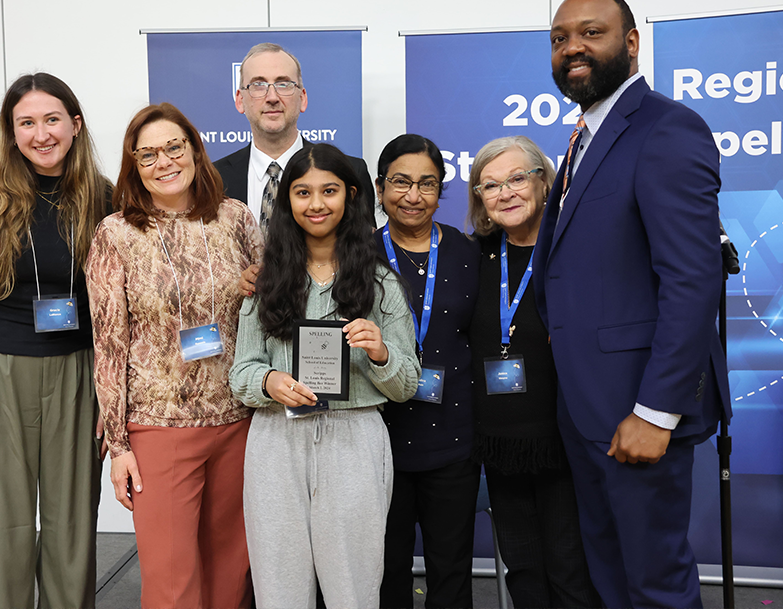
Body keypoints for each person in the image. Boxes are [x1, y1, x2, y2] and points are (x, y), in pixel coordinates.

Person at [533, 0, 730, 608]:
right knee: (612, 581)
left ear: (632, 42)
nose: (574, 48)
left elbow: (693, 281)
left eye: (591, 32)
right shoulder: (582, 139)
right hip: (589, 410)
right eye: (561, 38)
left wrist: (656, 412)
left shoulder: (667, 128)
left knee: (655, 586)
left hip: (639, 414)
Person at [229, 143, 420, 609]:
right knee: (278, 587)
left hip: (354, 440)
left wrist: (380, 352)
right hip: (277, 438)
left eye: (329, 191)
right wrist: (270, 382)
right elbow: (242, 373)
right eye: (302, 192)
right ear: (286, 201)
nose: (316, 204)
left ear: (350, 196)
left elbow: (407, 383)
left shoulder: (380, 283)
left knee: (353, 590)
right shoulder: (267, 281)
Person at [86, 103, 260, 609]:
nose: (163, 162)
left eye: (172, 148)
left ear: (194, 150)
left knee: (232, 571)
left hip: (238, 423)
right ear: (133, 166)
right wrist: (118, 445)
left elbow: (267, 309)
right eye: (147, 155)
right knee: (171, 581)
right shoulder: (116, 233)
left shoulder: (236, 219)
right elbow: (110, 344)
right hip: (159, 430)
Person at [0, 72, 111, 609]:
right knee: (0, 531)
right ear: (11, 132)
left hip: (78, 377)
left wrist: (112, 397)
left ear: (75, 125)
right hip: (1, 378)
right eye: (26, 122)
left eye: (51, 119)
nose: (41, 133)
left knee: (72, 532)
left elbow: (122, 308)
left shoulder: (105, 200)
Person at [467, 136, 600, 609]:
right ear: (479, 198)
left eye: (517, 178)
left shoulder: (573, 249)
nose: (506, 193)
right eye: (490, 185)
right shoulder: (472, 257)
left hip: (567, 437)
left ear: (545, 181)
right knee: (522, 569)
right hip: (500, 439)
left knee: (570, 567)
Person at [372, 134, 481, 609]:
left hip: (452, 440)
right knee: (386, 569)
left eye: (427, 184)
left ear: (441, 191)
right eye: (400, 182)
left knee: (451, 569)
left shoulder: (469, 253)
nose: (413, 196)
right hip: (377, 442)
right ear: (379, 190)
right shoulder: (355, 255)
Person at [213, 42, 376, 230]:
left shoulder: (351, 173)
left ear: (302, 99)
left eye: (283, 84)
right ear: (240, 100)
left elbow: (362, 251)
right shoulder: (213, 179)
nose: (272, 97)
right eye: (258, 85)